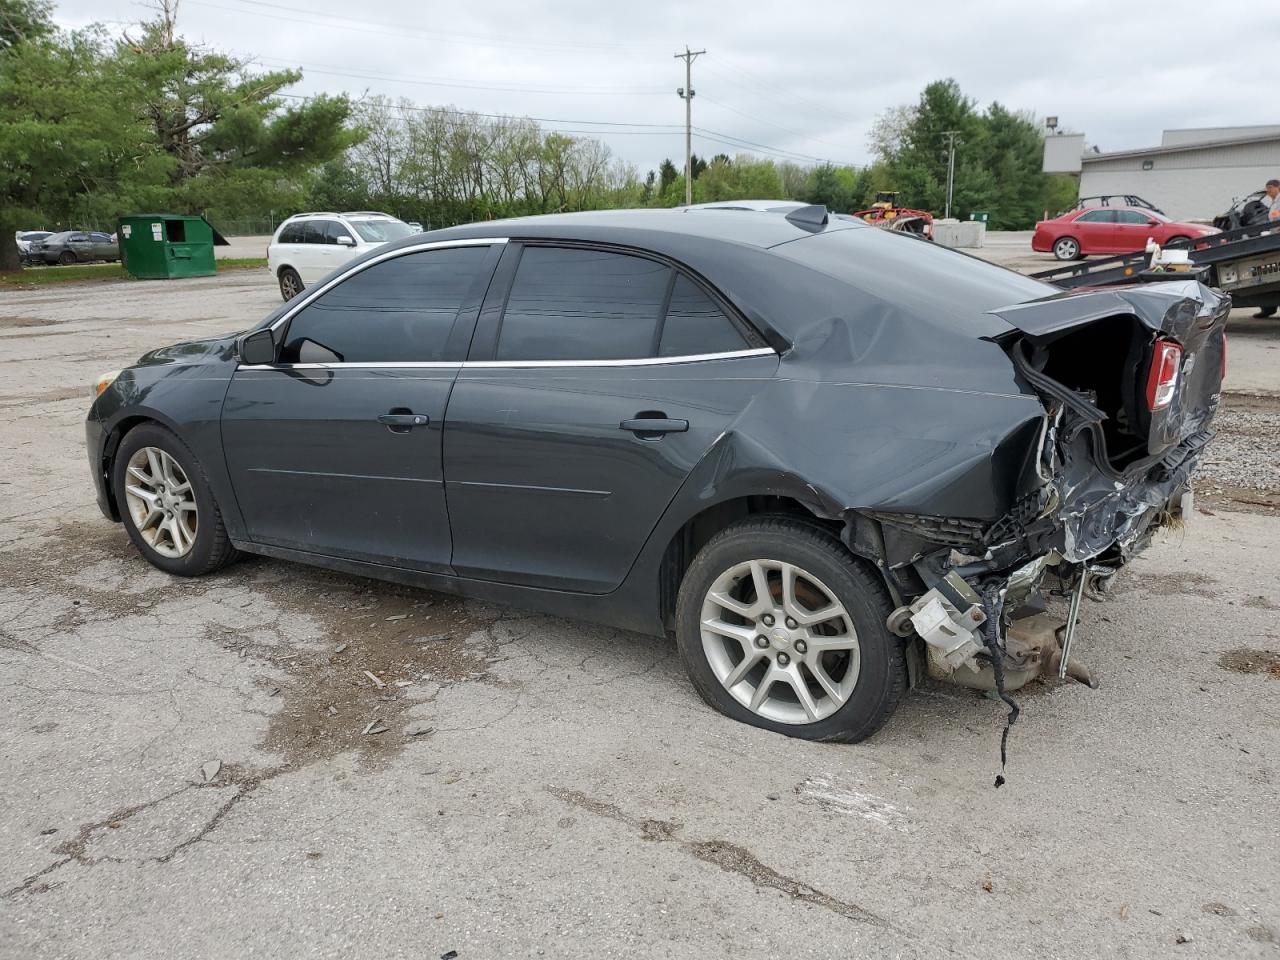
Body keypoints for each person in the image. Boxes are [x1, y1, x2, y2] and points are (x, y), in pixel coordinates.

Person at [1253, 180, 1280, 318]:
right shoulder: (1275, 201)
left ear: (1278, 187)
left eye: (1270, 187)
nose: (1267, 190)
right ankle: (1268, 308)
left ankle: (1268, 308)